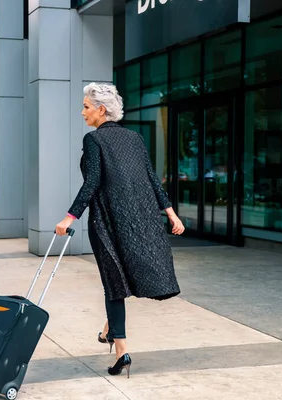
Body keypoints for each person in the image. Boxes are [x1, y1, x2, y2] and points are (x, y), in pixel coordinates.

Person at [55, 82, 185, 378]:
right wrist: (171, 215)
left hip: (108, 221)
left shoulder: (94, 140)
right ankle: (109, 330)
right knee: (121, 280)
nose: (83, 111)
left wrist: (69, 218)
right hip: (140, 220)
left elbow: (92, 183)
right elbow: (152, 178)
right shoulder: (135, 138)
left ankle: (121, 350)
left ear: (101, 110)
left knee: (114, 285)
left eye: (86, 106)